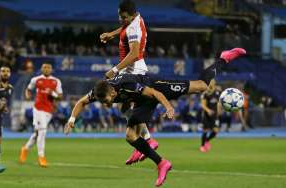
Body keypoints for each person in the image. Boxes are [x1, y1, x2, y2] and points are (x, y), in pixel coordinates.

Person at [64, 48, 246, 187]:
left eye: (108, 100)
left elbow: (153, 93)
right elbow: (80, 102)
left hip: (156, 87)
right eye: (103, 102)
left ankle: (223, 58)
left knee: (201, 86)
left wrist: (168, 107)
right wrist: (71, 121)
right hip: (142, 101)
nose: (105, 104)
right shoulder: (99, 91)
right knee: (130, 135)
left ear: (113, 91)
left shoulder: (128, 85)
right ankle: (162, 163)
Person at [100, 0, 159, 165]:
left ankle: (147, 140)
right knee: (124, 107)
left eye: (124, 17)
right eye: (119, 16)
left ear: (132, 15)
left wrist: (115, 69)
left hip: (133, 70)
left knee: (122, 102)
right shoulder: (135, 20)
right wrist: (112, 34)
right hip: (133, 69)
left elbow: (133, 54)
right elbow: (125, 28)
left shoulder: (133, 27)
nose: (121, 20)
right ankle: (145, 141)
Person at [19, 62, 63, 167]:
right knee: (43, 131)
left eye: (49, 67)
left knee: (37, 133)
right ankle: (41, 157)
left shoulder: (56, 81)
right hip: (38, 109)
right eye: (45, 67)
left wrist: (53, 94)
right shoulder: (36, 79)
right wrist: (28, 96)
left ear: (51, 70)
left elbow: (60, 96)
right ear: (42, 69)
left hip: (49, 110)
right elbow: (28, 89)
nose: (47, 69)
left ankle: (25, 149)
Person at [199, 79, 222, 152]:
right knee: (205, 130)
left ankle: (206, 141)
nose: (212, 83)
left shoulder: (217, 93)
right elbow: (202, 105)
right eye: (211, 82)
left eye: (213, 82)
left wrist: (219, 110)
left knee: (216, 131)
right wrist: (208, 110)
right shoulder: (206, 93)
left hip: (214, 115)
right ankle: (202, 146)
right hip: (206, 115)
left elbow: (218, 103)